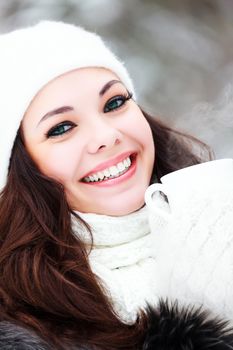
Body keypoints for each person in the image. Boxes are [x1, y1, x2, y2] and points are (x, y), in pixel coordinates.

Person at [0, 20, 232, 350]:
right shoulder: (20, 326)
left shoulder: (223, 220)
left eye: (114, 103)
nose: (107, 136)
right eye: (62, 128)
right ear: (15, 171)